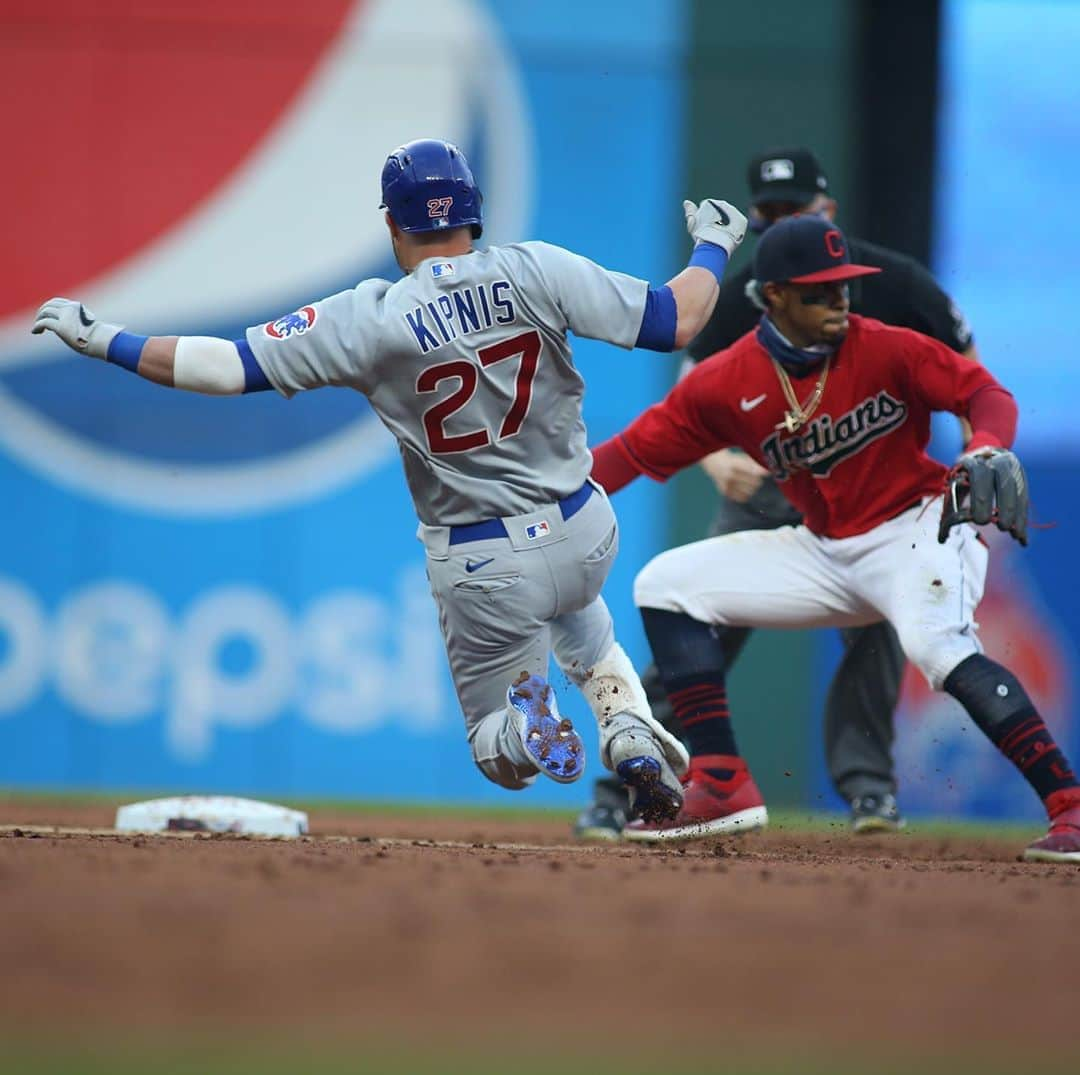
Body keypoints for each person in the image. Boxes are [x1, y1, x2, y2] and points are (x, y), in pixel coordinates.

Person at [31, 138, 750, 824]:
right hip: (583, 526)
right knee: (585, 625)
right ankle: (627, 729)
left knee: (497, 752)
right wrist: (715, 244)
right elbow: (677, 317)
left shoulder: (369, 317)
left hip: (484, 558)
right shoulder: (538, 269)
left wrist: (104, 339)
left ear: (390, 222)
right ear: (474, 210)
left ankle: (531, 731)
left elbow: (224, 368)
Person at [586, 213, 1080, 863]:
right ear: (773, 297)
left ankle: (1069, 806)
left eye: (843, 288)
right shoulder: (725, 381)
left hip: (917, 529)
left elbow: (983, 394)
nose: (838, 302)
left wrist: (987, 444)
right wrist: (544, 501)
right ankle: (723, 781)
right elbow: (627, 455)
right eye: (819, 291)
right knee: (666, 585)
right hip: (826, 550)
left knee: (937, 646)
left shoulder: (885, 346)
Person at [573, 146, 979, 841]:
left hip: (872, 490)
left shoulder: (894, 282)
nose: (784, 221)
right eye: (771, 212)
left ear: (829, 210)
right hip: (773, 482)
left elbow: (966, 372)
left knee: (878, 628)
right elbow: (691, 403)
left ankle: (869, 792)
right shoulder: (754, 290)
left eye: (797, 208)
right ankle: (629, 785)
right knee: (694, 615)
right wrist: (716, 462)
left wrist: (978, 458)